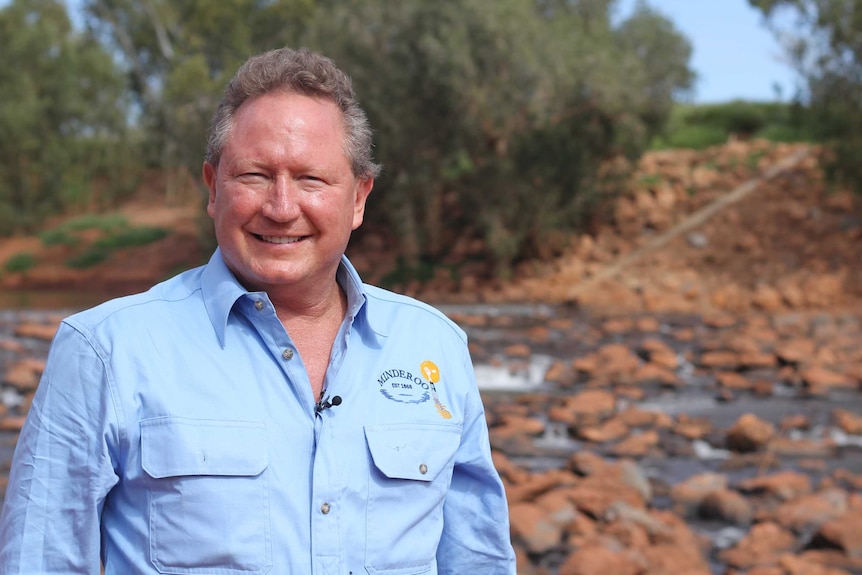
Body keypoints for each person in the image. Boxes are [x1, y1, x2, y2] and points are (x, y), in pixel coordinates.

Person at [0, 47, 516, 574]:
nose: (281, 206)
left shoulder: (435, 347)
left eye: (311, 179)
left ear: (359, 198)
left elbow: (479, 561)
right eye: (254, 176)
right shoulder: (105, 350)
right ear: (212, 188)